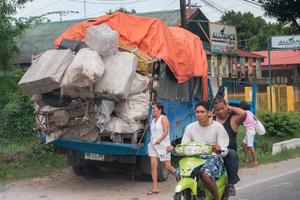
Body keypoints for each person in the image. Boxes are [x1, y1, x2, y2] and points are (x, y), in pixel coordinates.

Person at [182, 100, 229, 200]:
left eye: (202, 112)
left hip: (213, 158)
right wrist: (176, 148)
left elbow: (224, 149)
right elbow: (184, 145)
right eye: (197, 112)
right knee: (180, 173)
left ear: (209, 113)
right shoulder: (190, 127)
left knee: (204, 174)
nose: (199, 114)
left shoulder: (218, 127)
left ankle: (217, 198)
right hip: (194, 159)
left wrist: (219, 150)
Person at [213, 96, 247, 196]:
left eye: (222, 108)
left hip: (228, 153)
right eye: (217, 109)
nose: (220, 111)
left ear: (226, 107)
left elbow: (243, 113)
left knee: (232, 154)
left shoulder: (233, 120)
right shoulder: (212, 120)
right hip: (214, 152)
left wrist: (230, 107)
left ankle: (231, 184)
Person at [147, 102, 175, 195]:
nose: (153, 110)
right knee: (153, 165)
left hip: (163, 145)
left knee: (167, 167)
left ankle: (180, 178)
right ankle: (155, 188)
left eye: (154, 109)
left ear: (160, 110)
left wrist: (160, 139)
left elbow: (166, 131)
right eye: (152, 109)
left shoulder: (163, 118)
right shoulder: (153, 120)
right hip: (153, 145)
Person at [240, 101, 258, 167]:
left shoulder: (244, 113)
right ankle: (246, 159)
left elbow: (241, 120)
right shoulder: (250, 112)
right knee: (244, 143)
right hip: (251, 130)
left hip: (250, 131)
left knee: (250, 146)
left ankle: (255, 161)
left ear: (242, 107)